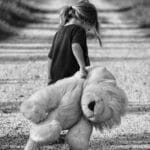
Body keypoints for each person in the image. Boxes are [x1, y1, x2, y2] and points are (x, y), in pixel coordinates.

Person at [47, 0, 102, 85]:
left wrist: (49, 77)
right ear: (85, 20)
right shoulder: (78, 30)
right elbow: (75, 46)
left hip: (56, 78)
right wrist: (82, 68)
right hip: (71, 77)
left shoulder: (59, 32)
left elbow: (51, 57)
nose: (88, 31)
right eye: (89, 28)